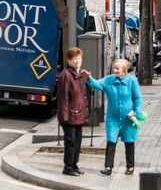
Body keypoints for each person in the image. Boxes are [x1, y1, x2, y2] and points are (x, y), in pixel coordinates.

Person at [88, 59, 143, 175]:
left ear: (124, 69)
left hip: (128, 119)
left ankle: (130, 166)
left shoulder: (132, 81)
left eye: (117, 68)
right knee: (111, 141)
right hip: (112, 118)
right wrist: (89, 78)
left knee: (129, 142)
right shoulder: (109, 80)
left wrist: (136, 112)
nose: (115, 70)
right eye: (114, 68)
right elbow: (97, 84)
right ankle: (108, 167)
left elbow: (137, 98)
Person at [55, 47, 89, 176]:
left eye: (79, 58)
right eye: (74, 59)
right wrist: (64, 117)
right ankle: (68, 167)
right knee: (71, 142)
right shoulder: (66, 75)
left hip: (78, 114)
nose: (77, 61)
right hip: (69, 115)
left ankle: (74, 165)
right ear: (69, 60)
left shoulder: (78, 73)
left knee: (78, 142)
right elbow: (63, 98)